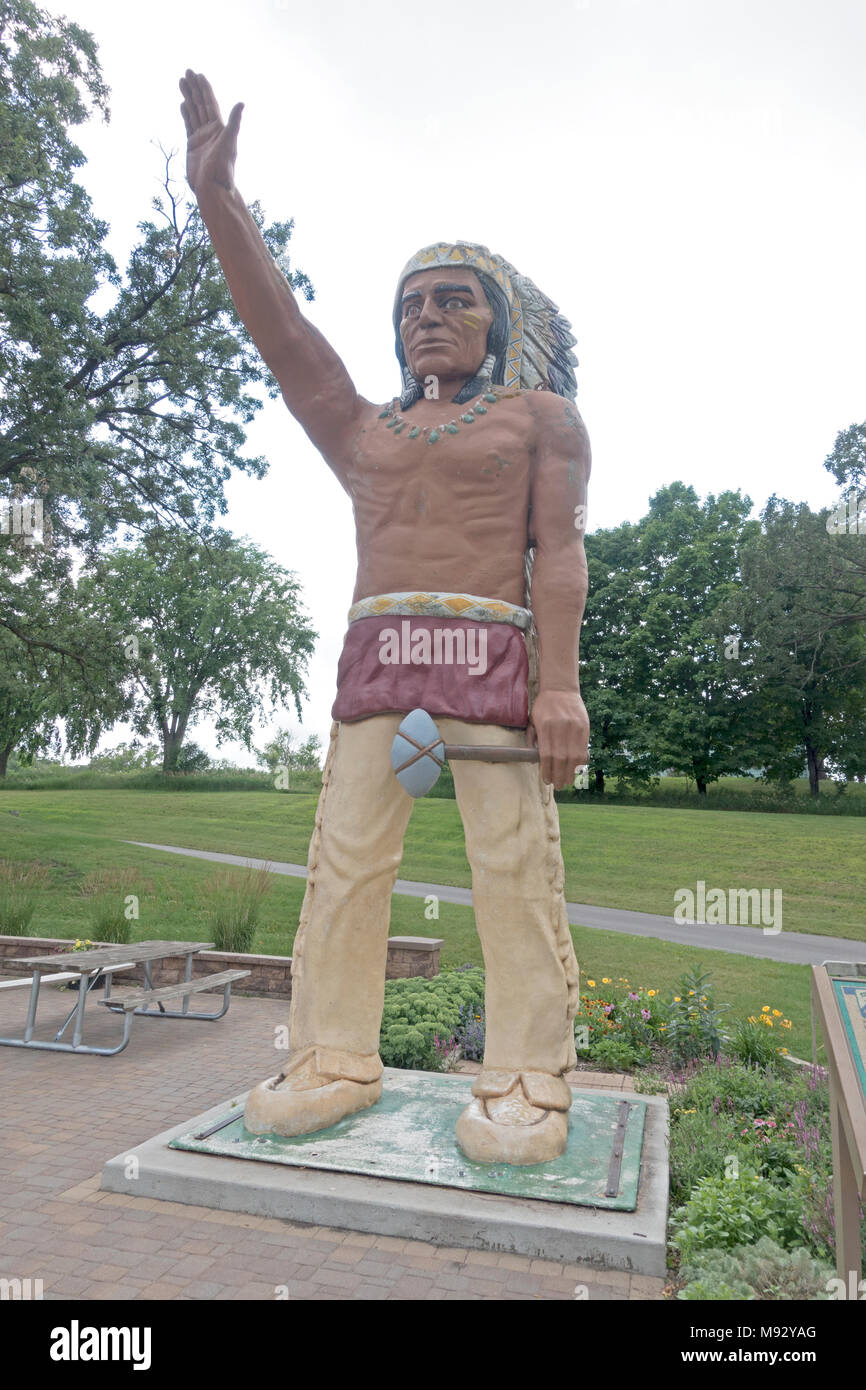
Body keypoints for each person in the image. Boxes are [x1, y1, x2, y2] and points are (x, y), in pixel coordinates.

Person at [180, 70, 591, 1163]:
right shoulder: (360, 430)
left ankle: (525, 1076)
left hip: (487, 654)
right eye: (411, 302)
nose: (427, 316)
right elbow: (284, 333)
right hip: (378, 657)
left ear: (495, 319)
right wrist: (219, 200)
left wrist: (560, 683)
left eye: (452, 298)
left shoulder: (539, 419)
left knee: (509, 868)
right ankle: (329, 1057)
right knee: (346, 861)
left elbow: (561, 554)